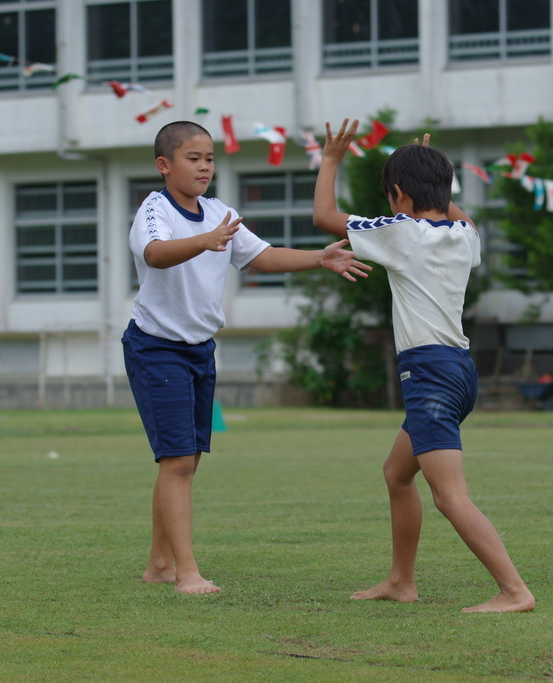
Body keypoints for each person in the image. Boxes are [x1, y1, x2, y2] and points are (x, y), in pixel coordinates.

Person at [123, 120, 371, 594]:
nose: (204, 167)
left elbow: (262, 255)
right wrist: (205, 241)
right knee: (176, 461)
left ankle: (159, 563)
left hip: (200, 350)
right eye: (193, 158)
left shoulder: (220, 212)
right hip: (156, 348)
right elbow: (155, 254)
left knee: (186, 460)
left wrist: (320, 257)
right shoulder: (154, 210)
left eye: (210, 159)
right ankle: (187, 573)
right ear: (164, 165)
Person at [312, 118, 535, 613]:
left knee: (449, 495)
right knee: (396, 473)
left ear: (397, 195)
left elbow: (324, 216)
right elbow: (455, 212)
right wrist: (429, 169)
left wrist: (330, 159)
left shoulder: (403, 233)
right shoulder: (464, 235)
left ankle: (515, 591)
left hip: (430, 373)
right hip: (458, 369)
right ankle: (401, 581)